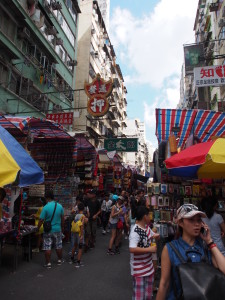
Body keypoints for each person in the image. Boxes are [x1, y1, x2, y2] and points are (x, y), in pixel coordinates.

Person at [156, 204, 225, 300]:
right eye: (191, 220)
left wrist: (210, 242)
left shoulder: (205, 247)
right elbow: (164, 284)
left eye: (199, 220)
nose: (197, 224)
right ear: (180, 222)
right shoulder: (170, 248)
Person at [129, 206, 157, 300]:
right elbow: (132, 249)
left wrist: (156, 235)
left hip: (149, 268)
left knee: (148, 295)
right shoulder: (135, 231)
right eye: (149, 215)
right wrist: (150, 249)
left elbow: (152, 235)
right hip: (139, 270)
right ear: (145, 216)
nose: (150, 217)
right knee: (139, 296)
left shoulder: (146, 227)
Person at [38, 190, 64, 269]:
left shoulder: (45, 207)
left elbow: (41, 220)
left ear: (47, 198)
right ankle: (59, 260)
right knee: (58, 245)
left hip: (48, 230)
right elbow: (63, 219)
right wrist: (62, 228)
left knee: (47, 246)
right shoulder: (59, 206)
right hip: (57, 229)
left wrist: (37, 228)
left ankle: (48, 263)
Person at [70, 202, 86, 268]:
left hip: (74, 232)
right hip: (79, 232)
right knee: (80, 247)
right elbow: (82, 226)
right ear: (84, 208)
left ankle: (72, 258)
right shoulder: (83, 216)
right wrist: (82, 235)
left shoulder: (76, 215)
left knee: (75, 245)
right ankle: (78, 261)